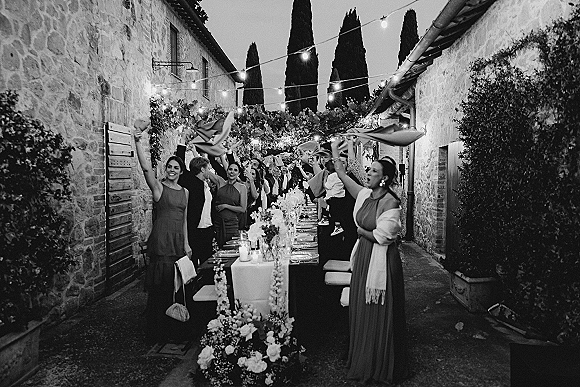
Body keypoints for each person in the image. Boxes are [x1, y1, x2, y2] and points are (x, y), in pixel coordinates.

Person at [330, 138, 409, 384]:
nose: (368, 172)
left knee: (379, 308)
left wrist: (363, 233)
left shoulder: (391, 202)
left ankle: (378, 361)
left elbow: (384, 236)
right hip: (364, 256)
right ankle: (362, 353)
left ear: (384, 178)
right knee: (362, 307)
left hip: (382, 261)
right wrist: (335, 151)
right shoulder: (364, 194)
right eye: (369, 169)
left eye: (373, 171)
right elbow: (342, 174)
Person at [134, 123, 192, 343]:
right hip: (162, 240)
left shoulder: (185, 191)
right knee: (160, 287)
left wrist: (186, 244)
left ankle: (173, 328)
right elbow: (146, 169)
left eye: (176, 168)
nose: (172, 170)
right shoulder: (159, 187)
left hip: (178, 241)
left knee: (175, 287)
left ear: (181, 171)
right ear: (166, 169)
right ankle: (157, 330)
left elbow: (184, 219)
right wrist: (138, 142)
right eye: (169, 167)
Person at [176, 139, 215, 267]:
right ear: (203, 169)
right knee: (193, 266)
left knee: (207, 265)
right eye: (208, 168)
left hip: (207, 230)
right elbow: (180, 163)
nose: (210, 171)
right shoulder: (191, 182)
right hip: (195, 232)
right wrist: (182, 144)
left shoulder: (205, 184)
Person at [213, 162, 248, 247]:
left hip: (231, 223)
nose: (232, 172)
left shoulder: (242, 187)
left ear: (238, 174)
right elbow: (205, 171)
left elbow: (243, 208)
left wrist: (225, 206)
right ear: (227, 171)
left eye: (235, 170)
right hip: (218, 222)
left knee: (232, 247)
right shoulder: (220, 182)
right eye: (230, 169)